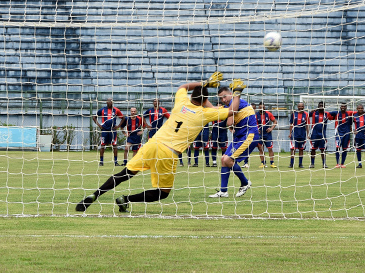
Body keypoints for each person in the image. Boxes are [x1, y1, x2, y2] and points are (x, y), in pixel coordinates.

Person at [75, 72, 228, 212]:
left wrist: (205, 83)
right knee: (162, 193)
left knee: (125, 174)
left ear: (191, 96)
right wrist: (236, 93)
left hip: (153, 143)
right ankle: (126, 199)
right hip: (169, 152)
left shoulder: (181, 102)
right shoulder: (206, 113)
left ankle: (95, 195)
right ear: (204, 101)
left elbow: (183, 86)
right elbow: (232, 110)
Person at [209, 81, 256, 198]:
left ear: (231, 94)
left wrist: (227, 120)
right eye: (221, 98)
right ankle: (223, 191)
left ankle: (245, 183)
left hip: (249, 135)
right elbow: (218, 111)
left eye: (225, 96)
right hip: (239, 136)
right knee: (224, 159)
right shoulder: (228, 106)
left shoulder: (237, 102)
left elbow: (229, 122)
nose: (223, 100)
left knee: (229, 159)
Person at [93, 98, 124, 166]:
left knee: (115, 145)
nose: (110, 102)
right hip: (104, 130)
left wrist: (118, 126)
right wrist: (99, 125)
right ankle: (101, 162)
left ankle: (116, 162)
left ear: (112, 102)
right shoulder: (102, 110)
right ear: (106, 102)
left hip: (113, 130)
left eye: (111, 101)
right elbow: (94, 117)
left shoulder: (116, 110)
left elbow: (123, 118)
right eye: (109, 101)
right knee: (102, 145)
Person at [328, 103, 353, 168]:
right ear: (340, 107)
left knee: (345, 149)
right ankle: (337, 163)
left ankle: (342, 163)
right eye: (342, 106)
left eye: (344, 106)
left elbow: (357, 112)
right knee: (338, 147)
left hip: (347, 133)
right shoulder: (336, 113)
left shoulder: (349, 114)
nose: (343, 107)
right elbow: (327, 113)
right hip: (338, 133)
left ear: (346, 107)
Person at [255, 102, 277, 168]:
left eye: (263, 107)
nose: (262, 108)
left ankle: (272, 163)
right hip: (259, 134)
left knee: (270, 149)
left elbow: (275, 121)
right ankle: (263, 163)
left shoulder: (269, 114)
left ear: (265, 108)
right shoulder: (256, 115)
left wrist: (271, 128)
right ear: (258, 108)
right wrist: (256, 129)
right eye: (260, 107)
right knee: (261, 149)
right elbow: (253, 123)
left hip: (267, 134)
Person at [308, 102, 329, 168]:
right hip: (314, 134)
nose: (321, 106)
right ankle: (312, 163)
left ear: (324, 106)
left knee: (323, 149)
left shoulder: (326, 114)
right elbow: (306, 115)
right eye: (320, 105)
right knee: (313, 149)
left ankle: (324, 164)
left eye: (322, 105)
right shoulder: (313, 113)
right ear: (318, 106)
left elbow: (334, 115)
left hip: (322, 134)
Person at [288, 102, 309, 169]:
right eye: (299, 106)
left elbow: (307, 125)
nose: (300, 107)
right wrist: (290, 133)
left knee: (301, 149)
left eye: (302, 106)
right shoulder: (294, 114)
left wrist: (308, 134)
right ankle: (291, 163)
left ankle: (300, 164)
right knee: (293, 149)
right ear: (297, 107)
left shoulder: (306, 114)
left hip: (302, 135)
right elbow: (291, 124)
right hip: (294, 134)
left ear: (303, 107)